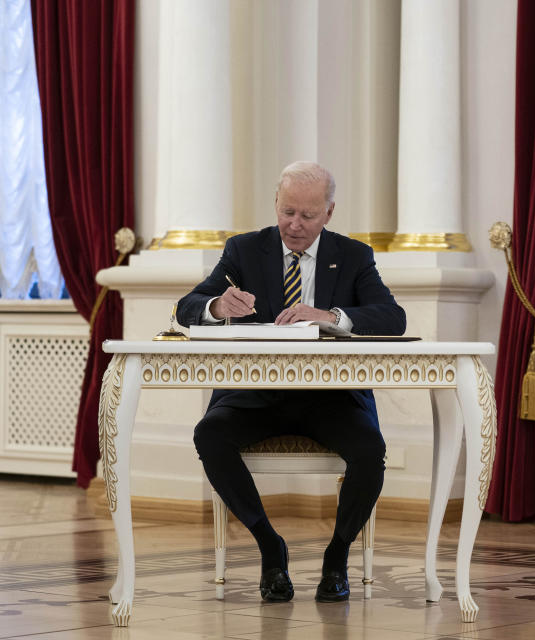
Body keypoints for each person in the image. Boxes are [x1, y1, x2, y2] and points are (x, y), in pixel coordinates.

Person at [177, 161, 405, 603]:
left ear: (329, 213)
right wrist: (218, 307)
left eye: (307, 215)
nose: (294, 225)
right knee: (209, 434)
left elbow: (393, 318)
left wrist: (331, 317)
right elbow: (190, 304)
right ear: (275, 204)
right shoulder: (244, 250)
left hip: (329, 398)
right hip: (255, 394)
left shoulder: (353, 255)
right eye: (286, 212)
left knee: (370, 450)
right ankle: (269, 547)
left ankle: (337, 556)